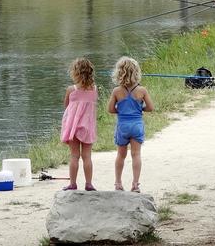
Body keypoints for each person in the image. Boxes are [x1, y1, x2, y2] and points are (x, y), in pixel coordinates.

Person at [107, 57, 154, 193]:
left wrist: (121, 110)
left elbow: (110, 109)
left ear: (119, 73)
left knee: (121, 155)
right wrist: (140, 109)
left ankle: (118, 183)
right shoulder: (142, 90)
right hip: (136, 125)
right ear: (136, 72)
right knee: (136, 155)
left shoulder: (117, 91)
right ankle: (135, 184)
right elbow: (150, 108)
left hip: (123, 126)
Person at [60, 58, 98, 191]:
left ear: (75, 73)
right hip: (88, 127)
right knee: (87, 156)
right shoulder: (94, 89)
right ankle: (89, 183)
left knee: (74, 155)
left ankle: (73, 183)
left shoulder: (71, 89)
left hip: (73, 127)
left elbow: (66, 106)